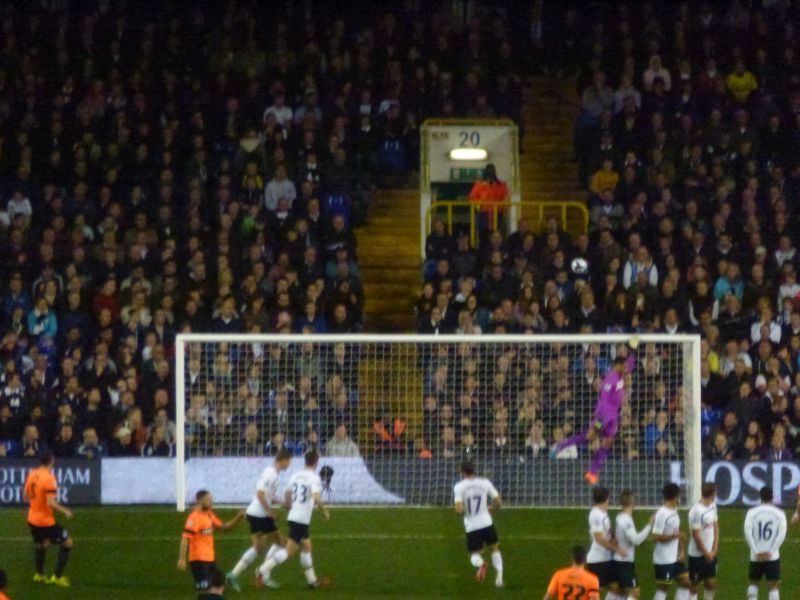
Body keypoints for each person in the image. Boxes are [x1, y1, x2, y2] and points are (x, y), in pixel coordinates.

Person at [553, 337, 639, 484]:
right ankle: (563, 444)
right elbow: (603, 400)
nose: (627, 369)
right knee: (590, 437)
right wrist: (600, 419)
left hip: (614, 416)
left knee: (608, 442)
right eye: (624, 367)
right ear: (618, 366)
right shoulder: (610, 379)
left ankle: (593, 473)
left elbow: (631, 363)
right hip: (604, 416)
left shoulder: (621, 374)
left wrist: (633, 349)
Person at [256, 451, 330, 589]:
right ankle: (262, 570)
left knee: (307, 546)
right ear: (316, 462)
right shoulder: (314, 477)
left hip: (294, 517)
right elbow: (316, 495)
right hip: (301, 519)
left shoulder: (295, 475)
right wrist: (324, 510)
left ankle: (312, 581)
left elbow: (287, 493)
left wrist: (289, 506)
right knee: (289, 552)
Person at [227, 448, 293, 591]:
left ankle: (233, 574)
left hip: (253, 513)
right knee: (282, 543)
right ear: (283, 460)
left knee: (259, 548)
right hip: (261, 515)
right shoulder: (271, 474)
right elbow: (260, 494)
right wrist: (270, 512)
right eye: (289, 462)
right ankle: (264, 574)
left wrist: (283, 502)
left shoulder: (271, 472)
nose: (289, 465)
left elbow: (268, 495)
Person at [23, 451, 74, 587]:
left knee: (43, 544)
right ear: (51, 461)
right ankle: (57, 577)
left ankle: (39, 575)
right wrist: (65, 511)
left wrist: (36, 503)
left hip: (32, 519)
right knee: (68, 543)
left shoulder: (32, 473)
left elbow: (25, 495)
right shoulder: (49, 478)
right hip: (45, 522)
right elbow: (50, 503)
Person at [178, 490, 244, 592]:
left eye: (211, 499)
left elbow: (224, 527)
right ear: (199, 501)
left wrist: (238, 518)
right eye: (208, 500)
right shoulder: (194, 518)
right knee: (205, 590)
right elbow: (185, 539)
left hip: (210, 559)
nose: (211, 502)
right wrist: (182, 559)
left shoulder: (209, 515)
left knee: (218, 585)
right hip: (198, 560)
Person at [453, 461, 504, 588]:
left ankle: (481, 564)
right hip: (487, 522)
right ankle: (499, 579)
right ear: (474, 471)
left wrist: (465, 511)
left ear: (462, 472)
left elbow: (459, 510)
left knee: (474, 554)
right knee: (494, 549)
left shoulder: (459, 486)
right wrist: (491, 508)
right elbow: (498, 502)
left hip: (472, 525)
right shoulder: (485, 482)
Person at [744, 486, 787, 600]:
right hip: (772, 557)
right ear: (772, 497)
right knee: (773, 587)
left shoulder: (751, 513)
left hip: (755, 557)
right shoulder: (780, 513)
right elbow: (781, 535)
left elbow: (748, 534)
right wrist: (771, 552)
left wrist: (757, 552)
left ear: (760, 497)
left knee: (753, 584)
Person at [651, 483, 691, 600]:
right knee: (662, 590)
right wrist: (675, 536)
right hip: (663, 559)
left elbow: (676, 532)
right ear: (676, 496)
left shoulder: (674, 511)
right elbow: (655, 536)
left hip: (675, 559)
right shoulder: (662, 513)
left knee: (687, 584)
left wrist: (681, 550)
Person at [611, 490, 652, 600]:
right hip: (624, 562)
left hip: (619, 561)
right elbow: (636, 540)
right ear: (633, 503)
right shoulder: (626, 520)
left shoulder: (620, 517)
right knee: (635, 592)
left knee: (618, 592)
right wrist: (650, 524)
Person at [586, 487, 625, 599]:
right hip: (597, 560)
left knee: (618, 589)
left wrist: (613, 536)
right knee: (594, 594)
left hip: (606, 559)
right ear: (607, 498)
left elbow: (605, 532)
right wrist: (617, 549)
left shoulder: (602, 513)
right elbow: (599, 538)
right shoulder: (596, 514)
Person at [687, 483, 719, 600]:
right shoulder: (696, 511)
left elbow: (716, 528)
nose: (716, 495)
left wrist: (714, 550)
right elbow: (696, 535)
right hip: (697, 555)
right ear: (712, 494)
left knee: (710, 584)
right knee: (694, 586)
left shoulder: (713, 506)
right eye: (715, 492)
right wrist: (706, 553)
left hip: (711, 553)